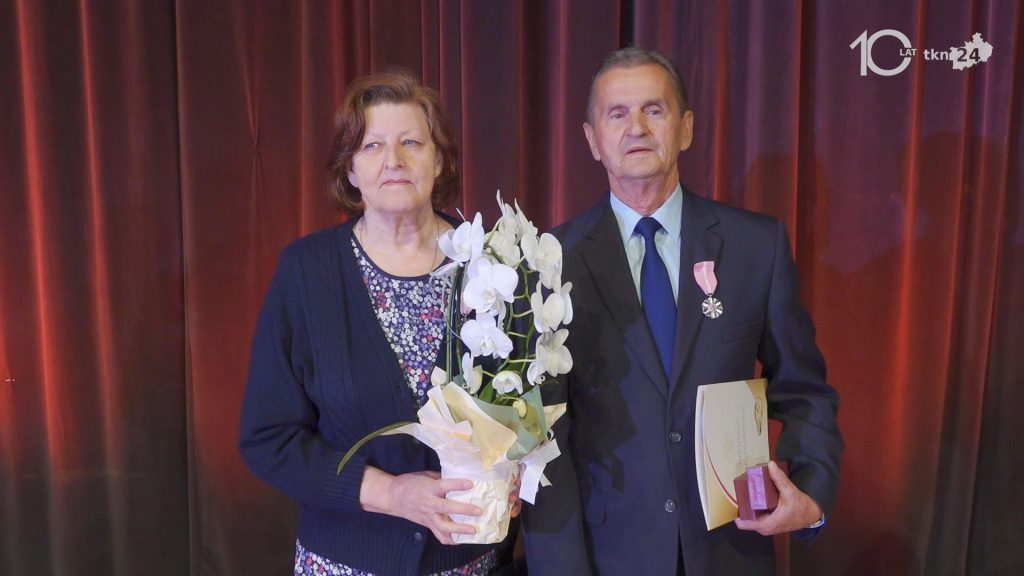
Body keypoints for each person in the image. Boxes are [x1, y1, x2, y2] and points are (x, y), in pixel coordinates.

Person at [522, 48, 843, 575]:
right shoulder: (548, 262)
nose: (637, 128)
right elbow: (542, 439)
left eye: (654, 110)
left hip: (731, 547)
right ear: (592, 140)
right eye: (617, 114)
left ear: (686, 128)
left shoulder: (755, 246)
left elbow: (804, 388)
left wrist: (810, 491)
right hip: (609, 556)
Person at [238, 70, 519, 575]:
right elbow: (269, 439)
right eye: (372, 145)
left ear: (439, 160)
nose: (394, 160)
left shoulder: (494, 264)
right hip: (344, 563)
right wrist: (392, 494)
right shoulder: (307, 273)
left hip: (470, 562)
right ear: (350, 169)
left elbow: (528, 407)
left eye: (411, 142)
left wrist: (518, 472)